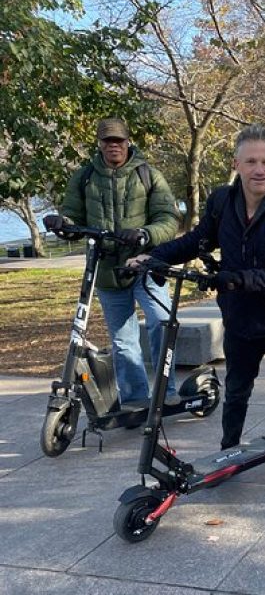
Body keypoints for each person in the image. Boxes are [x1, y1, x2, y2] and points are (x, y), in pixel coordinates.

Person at [128, 124, 265, 517]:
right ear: (237, 164)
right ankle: (227, 457)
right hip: (240, 321)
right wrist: (155, 257)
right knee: (236, 393)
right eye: (252, 161)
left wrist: (239, 278)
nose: (261, 169)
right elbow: (197, 241)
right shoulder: (222, 201)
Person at [44, 118, 180, 405]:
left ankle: (165, 394)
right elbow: (73, 217)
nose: (114, 146)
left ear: (128, 141)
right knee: (123, 341)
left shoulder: (148, 175)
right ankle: (134, 400)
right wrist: (62, 223)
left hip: (145, 265)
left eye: (119, 140)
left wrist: (144, 234)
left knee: (162, 323)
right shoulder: (84, 178)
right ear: (100, 144)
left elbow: (168, 219)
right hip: (106, 269)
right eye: (108, 141)